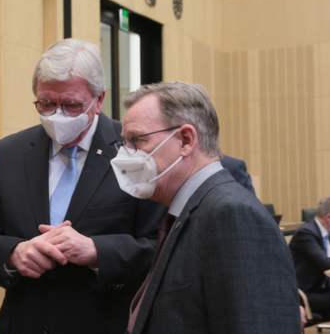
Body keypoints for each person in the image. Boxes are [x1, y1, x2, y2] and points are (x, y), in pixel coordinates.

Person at [0, 38, 166, 334]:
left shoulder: (135, 150)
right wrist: (13, 254)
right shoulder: (9, 154)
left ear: (99, 100)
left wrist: (97, 250)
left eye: (71, 105)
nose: (57, 115)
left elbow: (159, 250)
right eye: (45, 103)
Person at [111, 81, 301, 333]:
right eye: (124, 143)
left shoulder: (232, 215)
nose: (126, 156)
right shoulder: (189, 211)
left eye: (137, 140)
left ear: (186, 140)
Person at [289, 195, 330, 321]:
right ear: (329, 217)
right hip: (308, 293)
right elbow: (327, 263)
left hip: (326, 288)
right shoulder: (306, 234)